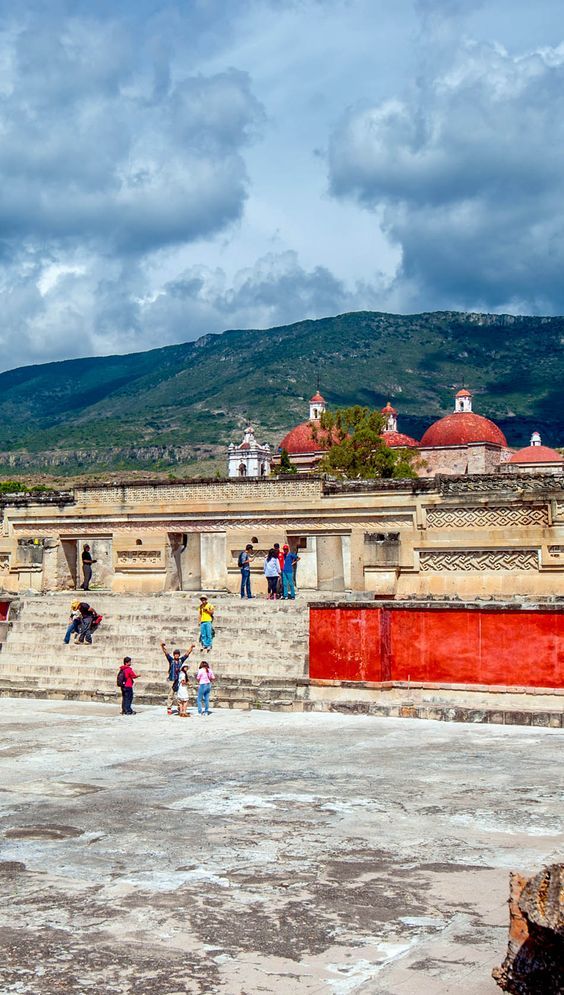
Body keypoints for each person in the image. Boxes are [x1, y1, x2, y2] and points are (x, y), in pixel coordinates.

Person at [160, 641, 195, 715]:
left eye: (177, 654)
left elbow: (187, 654)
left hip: (179, 680)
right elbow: (166, 653)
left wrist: (191, 647)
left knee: (180, 695)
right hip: (172, 680)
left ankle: (180, 707)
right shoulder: (171, 660)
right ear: (174, 655)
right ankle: (169, 708)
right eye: (175, 654)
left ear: (179, 655)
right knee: (171, 694)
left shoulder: (181, 661)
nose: (176, 655)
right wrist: (163, 647)